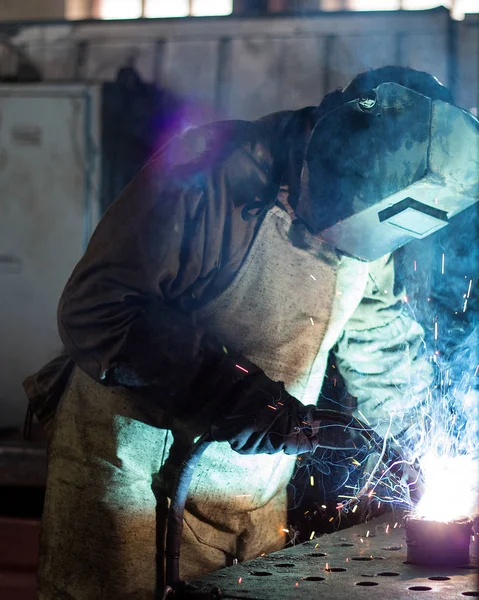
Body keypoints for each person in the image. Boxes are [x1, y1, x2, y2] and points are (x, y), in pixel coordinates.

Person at [24, 66, 479, 600]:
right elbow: (94, 309)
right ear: (325, 147)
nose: (331, 244)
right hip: (133, 491)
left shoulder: (380, 207)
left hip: (257, 496)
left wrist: (443, 457)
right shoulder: (211, 171)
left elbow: (375, 330)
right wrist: (233, 393)